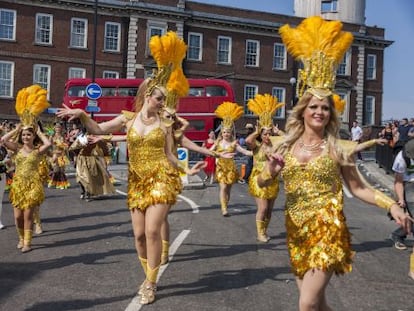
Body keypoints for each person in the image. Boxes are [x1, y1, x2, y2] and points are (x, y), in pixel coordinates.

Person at [257, 16, 413, 311]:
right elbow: (261, 183)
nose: (319, 112)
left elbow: (359, 188)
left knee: (305, 304)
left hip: (327, 230)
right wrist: (270, 171)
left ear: (331, 113)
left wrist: (391, 204)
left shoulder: (337, 147)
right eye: (314, 106)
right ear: (303, 110)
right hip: (295, 228)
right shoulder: (284, 145)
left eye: (325, 108)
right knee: (317, 305)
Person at [57, 31, 203, 305]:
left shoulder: (166, 124)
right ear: (148, 95)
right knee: (138, 236)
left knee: (151, 231)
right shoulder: (128, 118)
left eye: (165, 100)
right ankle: (148, 273)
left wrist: (186, 170)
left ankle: (150, 283)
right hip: (137, 181)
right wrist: (82, 115)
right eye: (159, 99)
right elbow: (99, 129)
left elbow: (171, 154)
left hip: (160, 178)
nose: (163, 103)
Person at [1, 84, 52, 253]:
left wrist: (37, 130)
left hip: (32, 186)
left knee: (28, 215)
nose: (26, 136)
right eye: (24, 135)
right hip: (18, 185)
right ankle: (21, 238)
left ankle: (27, 243)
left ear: (32, 136)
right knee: (17, 216)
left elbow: (48, 143)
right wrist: (16, 129)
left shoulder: (37, 151)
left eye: (28, 134)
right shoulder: (16, 148)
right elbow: (2, 141)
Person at [245, 93, 284, 242]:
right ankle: (260, 233)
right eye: (264, 133)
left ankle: (264, 230)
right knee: (263, 208)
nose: (267, 135)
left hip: (272, 180)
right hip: (258, 179)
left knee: (269, 210)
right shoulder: (257, 145)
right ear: (261, 134)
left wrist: (278, 131)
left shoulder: (275, 146)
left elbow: (288, 140)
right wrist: (256, 131)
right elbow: (248, 141)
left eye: (269, 132)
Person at [212, 101, 252, 216]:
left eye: (228, 132)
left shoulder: (234, 143)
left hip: (230, 169)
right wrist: (216, 154)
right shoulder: (218, 142)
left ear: (231, 133)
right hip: (220, 167)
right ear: (222, 132)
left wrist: (256, 153)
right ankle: (224, 209)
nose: (226, 134)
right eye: (224, 132)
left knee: (228, 190)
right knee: (223, 188)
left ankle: (225, 204)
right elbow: (209, 151)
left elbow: (244, 151)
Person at [390, 139, 414, 254]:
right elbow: (398, 181)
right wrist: (401, 199)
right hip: (409, 184)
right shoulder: (402, 158)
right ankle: (398, 235)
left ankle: (398, 234)